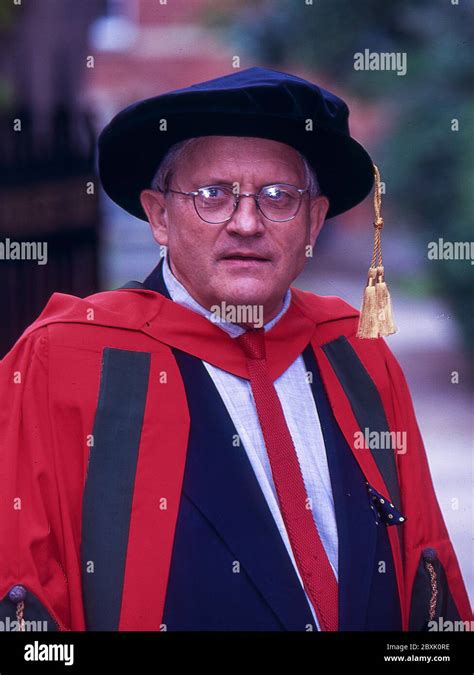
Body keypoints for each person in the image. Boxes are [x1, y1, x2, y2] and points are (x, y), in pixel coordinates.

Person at [0, 67, 471, 631]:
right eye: (212, 195)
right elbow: (24, 590)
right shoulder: (68, 360)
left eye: (279, 197)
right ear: (158, 216)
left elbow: (424, 558)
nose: (246, 223)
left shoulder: (356, 350)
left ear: (314, 221)